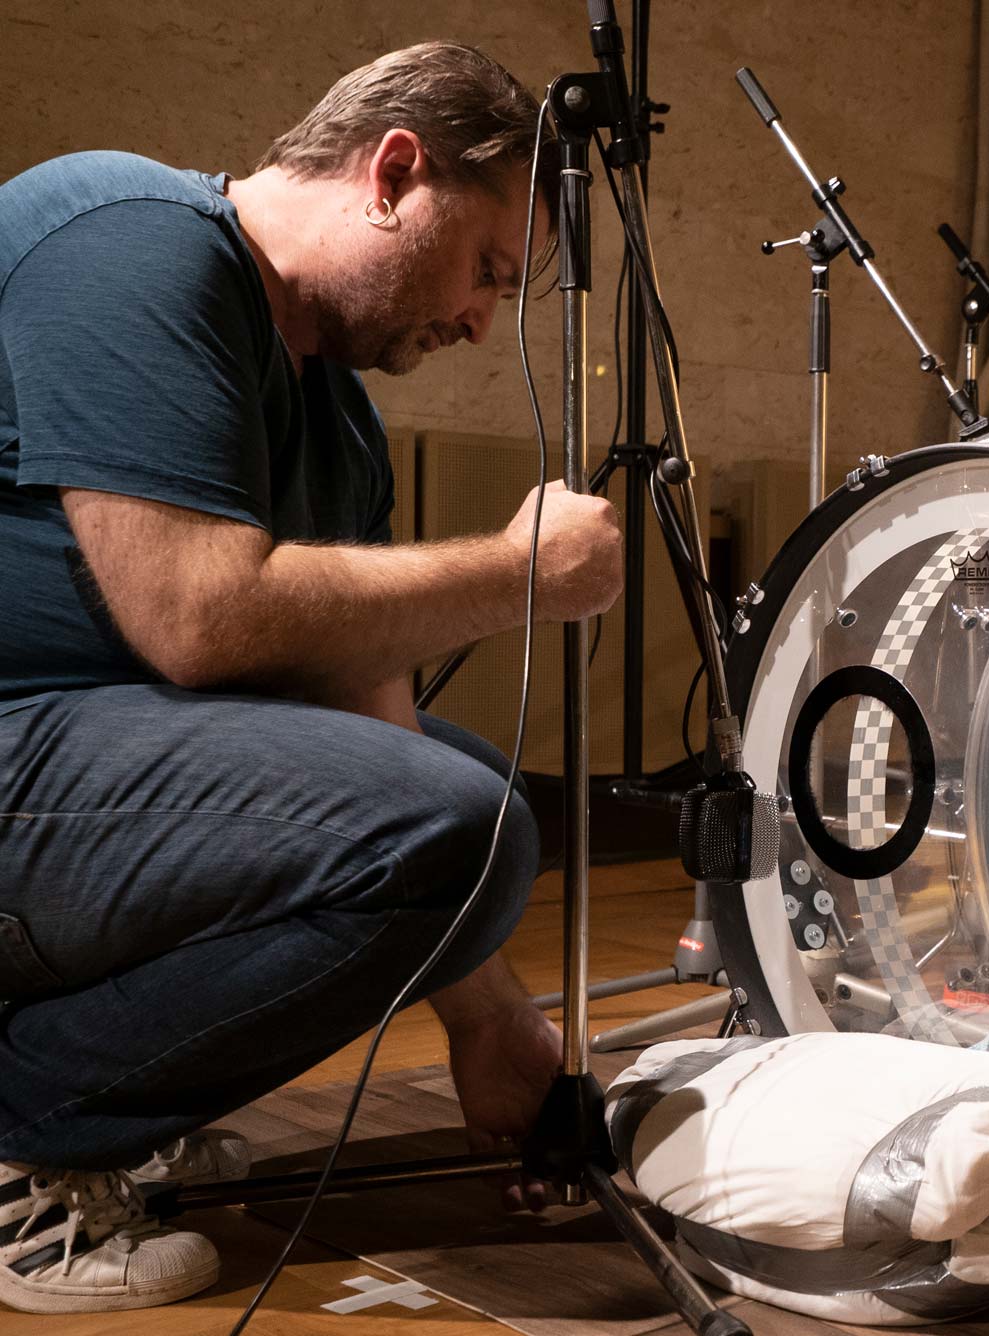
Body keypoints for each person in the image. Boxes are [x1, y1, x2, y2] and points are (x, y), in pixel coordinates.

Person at [0, 42, 625, 1314]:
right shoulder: (128, 238)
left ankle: (102, 1104)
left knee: (467, 793)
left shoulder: (337, 421)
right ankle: (32, 1134)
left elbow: (367, 714)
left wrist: (489, 1021)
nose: (479, 322)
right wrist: (514, 572)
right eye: (487, 269)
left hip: (64, 764)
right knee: (456, 817)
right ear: (392, 175)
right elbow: (195, 614)